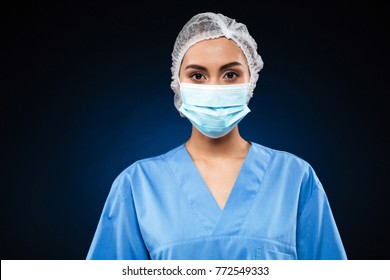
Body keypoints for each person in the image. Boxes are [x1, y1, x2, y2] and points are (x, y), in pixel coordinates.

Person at [86, 12, 347, 260]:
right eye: (197, 76)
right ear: (178, 83)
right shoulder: (138, 185)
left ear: (251, 81)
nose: (214, 89)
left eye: (230, 75)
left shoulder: (295, 178)